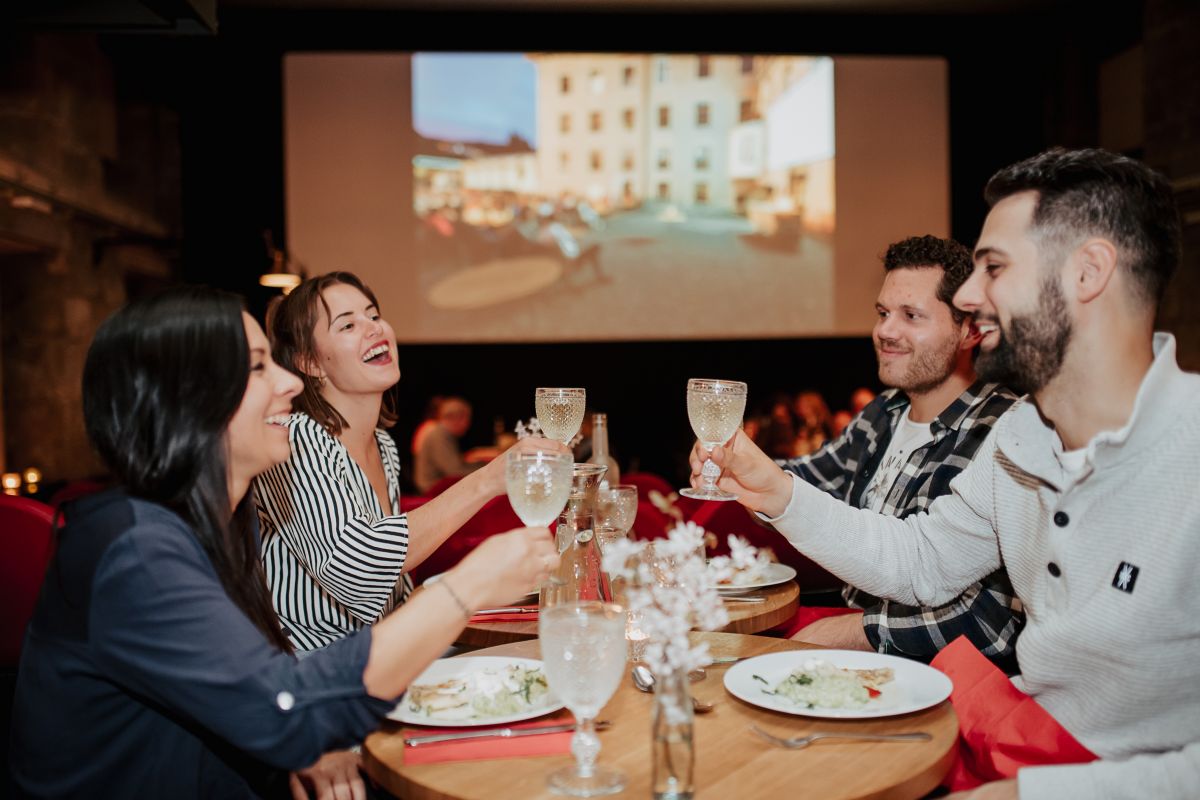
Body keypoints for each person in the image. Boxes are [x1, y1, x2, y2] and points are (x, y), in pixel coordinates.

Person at [692, 148, 1197, 798]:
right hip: (1013, 743)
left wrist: (1031, 796)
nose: (967, 296)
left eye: (994, 268)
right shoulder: (1023, 437)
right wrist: (779, 492)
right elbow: (921, 562)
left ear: (1088, 272)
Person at [10, 287, 557, 798]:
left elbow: (248, 680)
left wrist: (297, 744)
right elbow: (284, 710)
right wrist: (464, 587)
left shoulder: (219, 520)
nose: (290, 383)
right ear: (185, 399)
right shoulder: (134, 551)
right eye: (256, 367)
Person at [255, 271, 567, 651]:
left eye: (373, 315)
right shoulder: (296, 439)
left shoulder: (383, 444)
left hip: (383, 653)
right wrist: (488, 480)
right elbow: (361, 572)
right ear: (311, 362)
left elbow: (391, 589)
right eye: (348, 324)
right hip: (315, 667)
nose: (374, 328)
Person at [778, 235, 1021, 669]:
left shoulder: (1001, 431)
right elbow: (808, 479)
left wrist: (857, 633)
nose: (885, 331)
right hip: (857, 636)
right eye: (883, 313)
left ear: (970, 330)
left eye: (911, 316)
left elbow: (990, 621)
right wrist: (735, 470)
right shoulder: (885, 410)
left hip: (932, 671)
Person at [413, 396, 485, 494]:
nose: (468, 424)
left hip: (436, 486)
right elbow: (454, 471)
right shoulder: (439, 434)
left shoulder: (441, 433)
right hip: (432, 490)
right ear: (458, 417)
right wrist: (486, 469)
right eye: (467, 418)